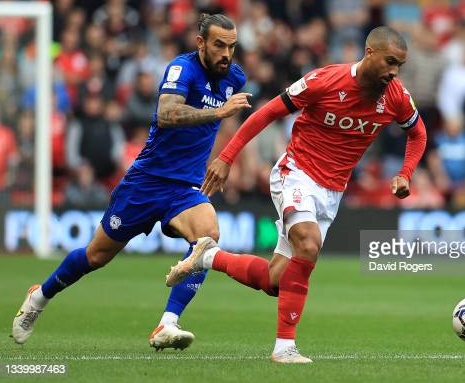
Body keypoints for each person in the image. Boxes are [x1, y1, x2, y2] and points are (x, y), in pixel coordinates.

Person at [166, 26, 427, 363]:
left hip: (332, 192)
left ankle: (208, 257)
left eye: (400, 66)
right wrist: (227, 157)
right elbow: (267, 113)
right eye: (390, 62)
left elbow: (418, 135)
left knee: (277, 280)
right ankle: (284, 347)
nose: (394, 72)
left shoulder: (396, 97)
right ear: (369, 53)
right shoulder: (324, 81)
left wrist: (405, 173)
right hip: (296, 173)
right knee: (308, 243)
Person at [12, 13, 251, 351]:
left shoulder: (234, 78)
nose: (226, 54)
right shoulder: (182, 69)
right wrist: (218, 113)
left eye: (232, 46)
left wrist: (225, 157)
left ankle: (167, 325)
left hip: (184, 188)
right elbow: (167, 115)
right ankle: (40, 296)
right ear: (201, 43)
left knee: (208, 238)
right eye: (219, 45)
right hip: (146, 182)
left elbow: (222, 123)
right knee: (95, 256)